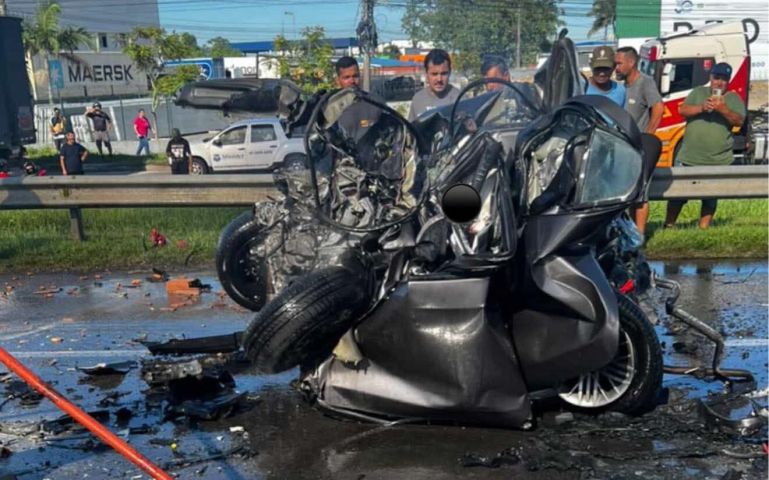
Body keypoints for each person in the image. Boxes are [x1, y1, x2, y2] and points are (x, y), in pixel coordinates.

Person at [664, 62, 746, 229]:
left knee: (710, 198)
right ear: (711, 78)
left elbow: (739, 120)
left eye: (723, 79)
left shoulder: (733, 98)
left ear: (728, 81)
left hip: (717, 159)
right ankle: (669, 226)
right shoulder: (698, 92)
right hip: (689, 156)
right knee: (677, 196)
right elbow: (683, 110)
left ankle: (703, 229)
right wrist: (702, 107)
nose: (719, 82)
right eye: (717, 78)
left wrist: (722, 109)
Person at [614, 46, 664, 237]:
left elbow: (658, 109)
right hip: (622, 148)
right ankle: (629, 233)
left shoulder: (645, 82)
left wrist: (647, 138)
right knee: (627, 194)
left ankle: (640, 237)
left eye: (619, 63)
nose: (616, 67)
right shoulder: (621, 87)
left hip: (639, 148)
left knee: (641, 195)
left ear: (631, 62)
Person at [408, 49, 460, 121]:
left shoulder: (460, 99)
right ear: (426, 74)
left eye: (444, 73)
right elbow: (411, 130)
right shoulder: (418, 99)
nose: (439, 79)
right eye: (434, 74)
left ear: (450, 72)